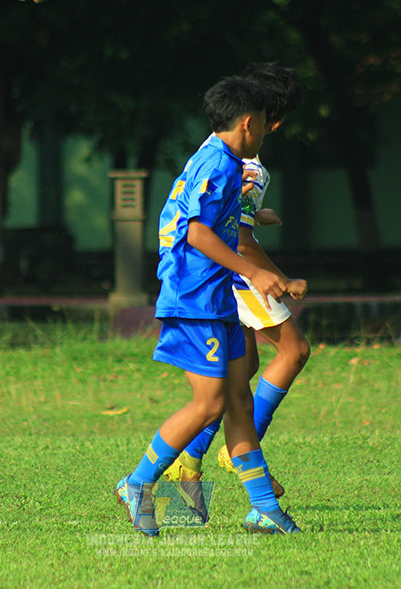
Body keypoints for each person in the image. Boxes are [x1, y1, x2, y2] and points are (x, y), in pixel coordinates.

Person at [114, 74, 302, 536]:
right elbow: (196, 232)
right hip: (194, 297)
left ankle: (264, 510)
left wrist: (254, 233)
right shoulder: (220, 164)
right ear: (247, 123)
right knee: (209, 404)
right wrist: (255, 271)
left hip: (214, 296)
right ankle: (137, 483)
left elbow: (209, 217)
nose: (265, 131)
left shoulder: (219, 159)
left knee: (238, 402)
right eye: (261, 122)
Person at [163, 63, 310, 502]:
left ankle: (186, 467)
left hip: (207, 280)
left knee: (238, 375)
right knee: (293, 350)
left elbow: (227, 216)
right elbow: (237, 241)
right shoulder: (248, 165)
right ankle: (239, 453)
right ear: (264, 120)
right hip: (228, 279)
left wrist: (255, 215)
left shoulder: (213, 148)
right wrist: (277, 277)